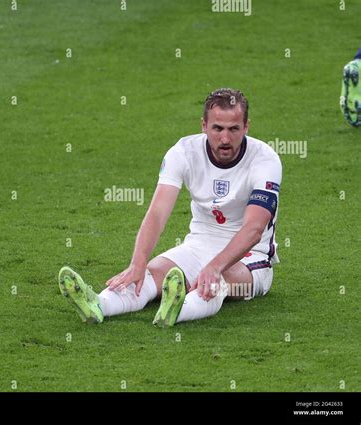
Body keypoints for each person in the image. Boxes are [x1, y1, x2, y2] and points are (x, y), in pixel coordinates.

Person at [58, 88, 282, 327]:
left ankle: (177, 310)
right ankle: (98, 305)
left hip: (250, 257)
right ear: (204, 126)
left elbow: (253, 229)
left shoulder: (264, 160)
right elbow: (157, 213)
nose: (225, 139)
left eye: (233, 129)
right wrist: (138, 262)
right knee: (147, 276)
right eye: (217, 129)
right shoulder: (184, 153)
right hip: (198, 245)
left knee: (218, 283)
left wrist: (215, 267)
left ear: (246, 127)